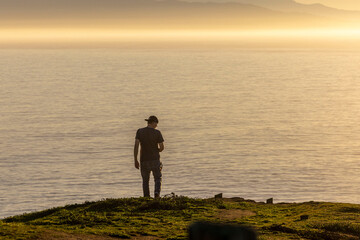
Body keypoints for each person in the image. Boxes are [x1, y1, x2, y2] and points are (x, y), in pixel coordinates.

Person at [134, 116, 164, 198]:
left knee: (145, 181)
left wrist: (135, 160)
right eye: (156, 124)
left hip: (144, 160)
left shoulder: (140, 131)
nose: (156, 126)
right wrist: (158, 150)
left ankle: (146, 197)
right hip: (155, 159)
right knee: (158, 178)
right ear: (154, 122)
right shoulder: (157, 133)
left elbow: (136, 146)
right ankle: (157, 193)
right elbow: (161, 147)